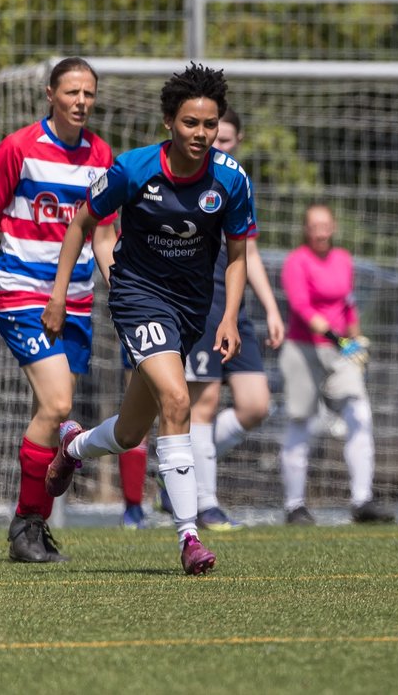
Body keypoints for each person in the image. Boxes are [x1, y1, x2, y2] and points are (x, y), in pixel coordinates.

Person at [41, 62, 255, 575]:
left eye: (209, 125)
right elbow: (84, 222)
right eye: (190, 124)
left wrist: (228, 318)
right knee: (178, 400)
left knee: (134, 431)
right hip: (138, 297)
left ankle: (71, 446)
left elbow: (240, 253)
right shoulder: (134, 169)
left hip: (189, 309)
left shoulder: (231, 179)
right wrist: (60, 292)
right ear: (168, 123)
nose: (201, 134)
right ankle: (189, 535)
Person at [0, 57, 118, 563]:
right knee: (60, 405)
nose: (81, 101)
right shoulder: (18, 148)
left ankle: (30, 530)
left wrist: (118, 288)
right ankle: (27, 524)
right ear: (50, 95)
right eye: (72, 92)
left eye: (88, 94)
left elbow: (104, 234)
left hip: (77, 299)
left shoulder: (102, 154)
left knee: (50, 411)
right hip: (20, 292)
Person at [159, 105, 285, 530]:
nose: (216, 141)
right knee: (205, 403)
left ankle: (181, 464)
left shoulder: (236, 183)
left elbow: (246, 253)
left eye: (225, 136)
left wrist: (269, 306)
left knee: (255, 405)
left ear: (236, 141)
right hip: (203, 305)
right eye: (213, 134)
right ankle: (203, 501)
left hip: (237, 310)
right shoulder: (188, 179)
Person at [277, 203, 394, 526]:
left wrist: (356, 341)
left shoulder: (343, 260)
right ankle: (294, 505)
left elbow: (348, 305)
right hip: (304, 349)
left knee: (359, 414)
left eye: (325, 224)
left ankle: (362, 500)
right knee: (301, 422)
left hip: (340, 349)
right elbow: (301, 307)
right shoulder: (296, 262)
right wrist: (336, 338)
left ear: (333, 227)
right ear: (305, 229)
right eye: (314, 224)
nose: (320, 230)